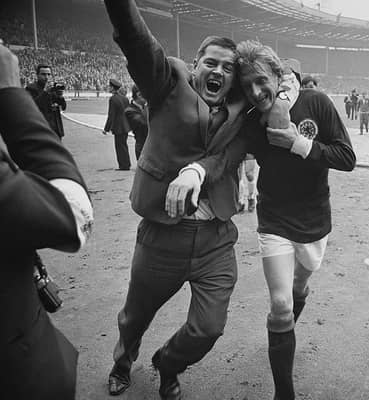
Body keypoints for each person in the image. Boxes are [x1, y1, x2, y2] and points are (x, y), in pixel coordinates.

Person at [103, 1, 256, 398]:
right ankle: (123, 362)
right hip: (162, 235)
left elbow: (232, 154)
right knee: (135, 317)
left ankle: (168, 363)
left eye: (227, 67)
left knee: (209, 327)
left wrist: (198, 170)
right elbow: (137, 42)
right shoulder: (167, 83)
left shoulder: (244, 112)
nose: (218, 71)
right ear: (195, 64)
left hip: (216, 238)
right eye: (211, 62)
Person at [189, 40, 356, 400]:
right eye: (247, 84)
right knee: (280, 306)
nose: (255, 91)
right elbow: (224, 151)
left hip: (314, 219)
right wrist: (194, 170)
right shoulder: (250, 121)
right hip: (274, 219)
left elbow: (346, 158)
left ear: (278, 76)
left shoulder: (317, 103)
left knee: (298, 289)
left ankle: (289, 322)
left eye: (261, 80)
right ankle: (285, 392)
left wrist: (298, 143)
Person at [0, 43, 93, 400]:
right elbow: (74, 217)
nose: (46, 78)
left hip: (47, 134)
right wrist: (14, 100)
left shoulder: (50, 93)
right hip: (23, 370)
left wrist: (58, 102)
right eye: (43, 75)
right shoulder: (27, 94)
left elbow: (59, 111)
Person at [25, 63, 67, 139]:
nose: (46, 77)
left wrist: (60, 96)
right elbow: (32, 107)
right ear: (37, 75)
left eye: (48, 74)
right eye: (43, 74)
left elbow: (63, 107)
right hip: (40, 130)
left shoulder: (53, 88)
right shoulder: (30, 88)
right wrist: (45, 92)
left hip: (55, 130)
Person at [103, 78, 131, 170]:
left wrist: (106, 129)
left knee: (119, 147)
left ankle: (123, 166)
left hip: (118, 127)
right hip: (126, 126)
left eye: (110, 87)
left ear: (112, 88)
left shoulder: (113, 99)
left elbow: (111, 115)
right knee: (124, 146)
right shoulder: (125, 98)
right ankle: (126, 164)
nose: (109, 88)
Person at [124, 84, 148, 160]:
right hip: (143, 149)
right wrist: (148, 105)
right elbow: (144, 124)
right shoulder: (129, 111)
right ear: (139, 95)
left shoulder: (144, 108)